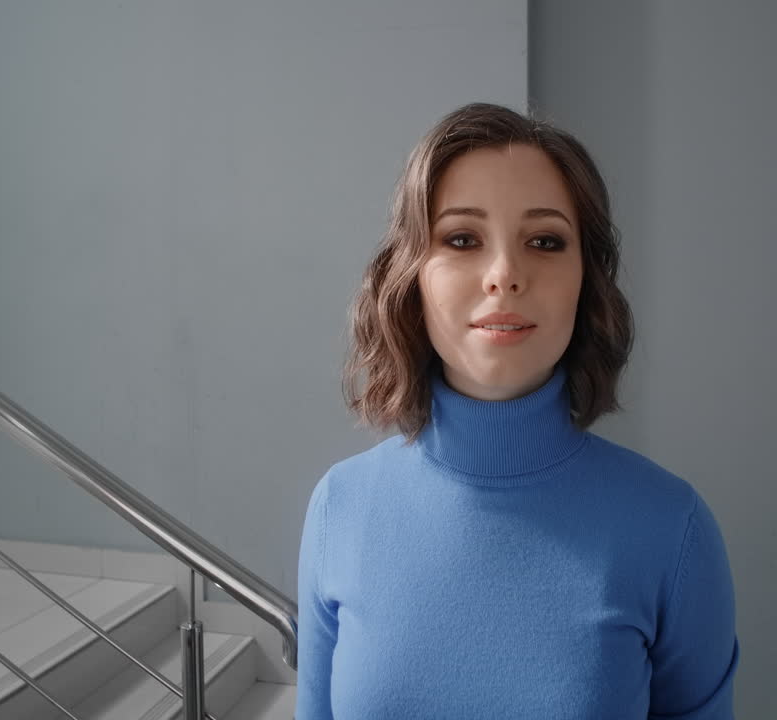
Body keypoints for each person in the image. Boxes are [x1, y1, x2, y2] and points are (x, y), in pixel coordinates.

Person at [297, 102, 738, 719]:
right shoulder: (337, 508)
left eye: (544, 241)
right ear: (410, 276)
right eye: (461, 239)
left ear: (587, 279)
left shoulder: (673, 529)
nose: (504, 273)